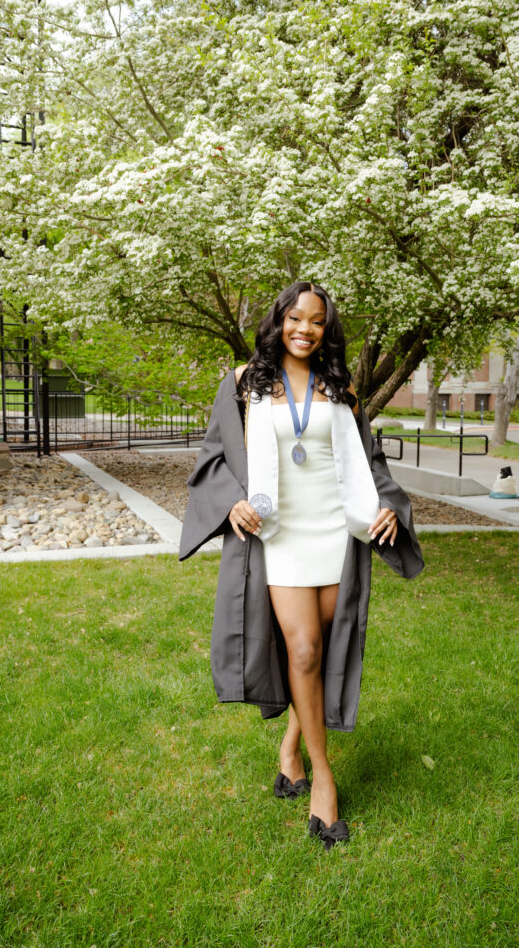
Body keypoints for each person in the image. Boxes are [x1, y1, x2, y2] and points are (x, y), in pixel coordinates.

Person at [179, 281, 424, 849]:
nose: (304, 329)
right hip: (281, 532)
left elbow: (368, 460)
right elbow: (214, 458)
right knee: (306, 650)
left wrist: (387, 506)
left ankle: (290, 748)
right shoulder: (244, 384)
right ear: (279, 321)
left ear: (326, 329)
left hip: (335, 529)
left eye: (316, 321)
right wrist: (232, 502)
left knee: (321, 644)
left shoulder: (340, 387)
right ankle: (323, 778)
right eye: (295, 318)